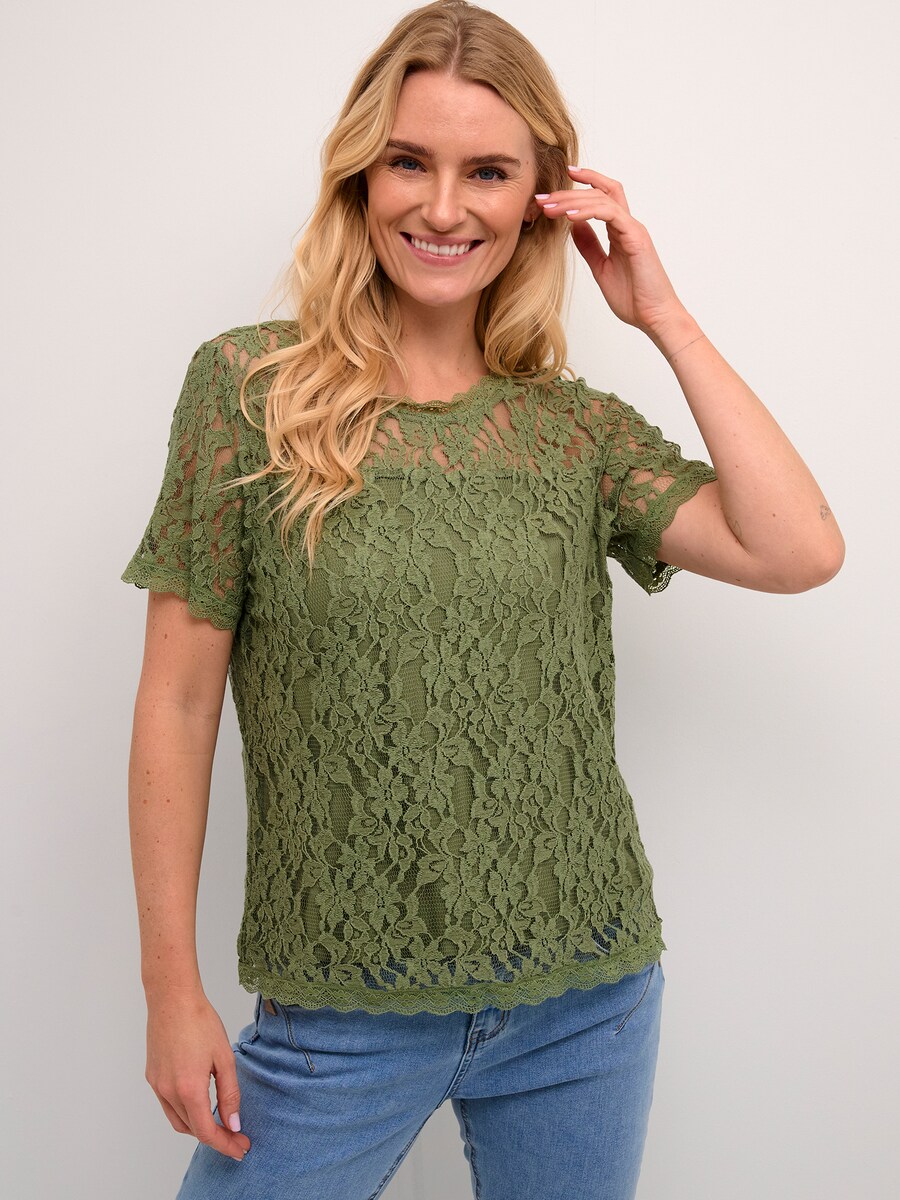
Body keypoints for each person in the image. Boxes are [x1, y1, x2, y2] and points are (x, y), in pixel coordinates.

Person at [122, 2, 844, 1197]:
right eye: (410, 161)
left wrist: (663, 317)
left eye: (489, 172)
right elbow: (179, 701)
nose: (445, 207)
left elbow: (799, 549)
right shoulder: (248, 393)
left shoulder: (571, 430)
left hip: (584, 1001)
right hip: (339, 1011)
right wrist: (168, 989)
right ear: (362, 175)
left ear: (538, 198)